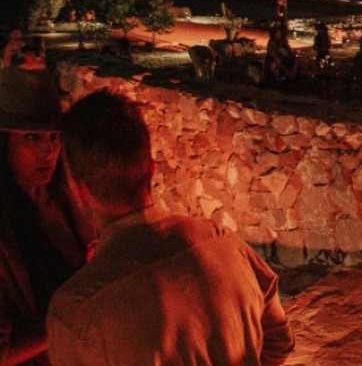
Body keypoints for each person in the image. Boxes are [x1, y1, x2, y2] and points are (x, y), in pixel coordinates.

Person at [47, 88, 293, 365]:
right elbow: (278, 343)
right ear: (151, 169)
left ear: (80, 190)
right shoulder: (225, 243)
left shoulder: (77, 310)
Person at [1, 69, 89, 366]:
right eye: (31, 137)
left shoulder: (62, 201)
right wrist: (70, 318)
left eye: (54, 137)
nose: (48, 150)